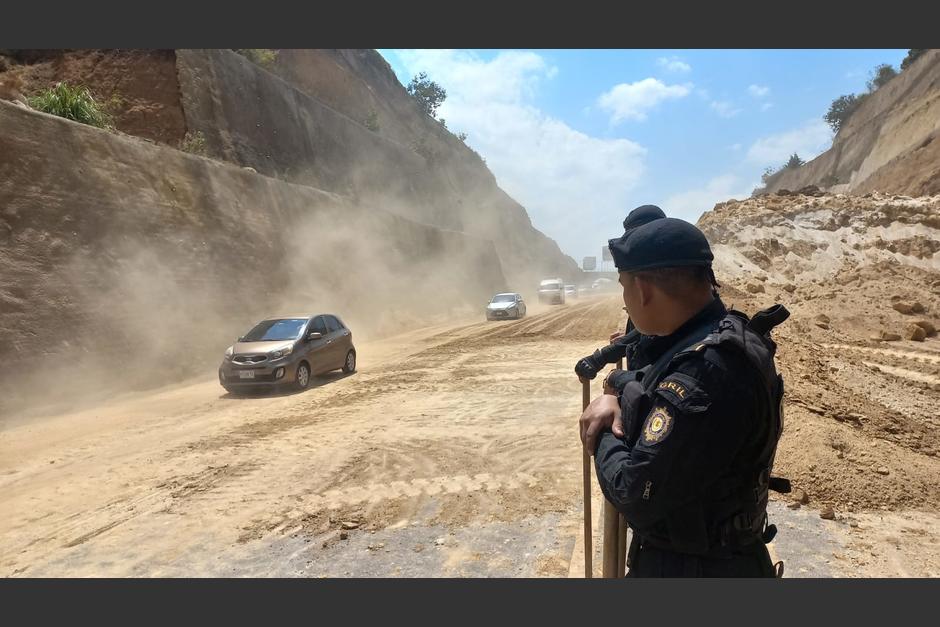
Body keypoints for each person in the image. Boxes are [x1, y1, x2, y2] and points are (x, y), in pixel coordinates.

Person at [578, 217, 790, 577]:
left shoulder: (708, 370)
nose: (626, 302)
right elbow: (657, 379)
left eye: (624, 288)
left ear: (642, 290)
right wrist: (618, 382)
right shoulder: (721, 335)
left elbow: (634, 491)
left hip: (694, 568)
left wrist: (602, 433)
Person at [573, 204, 666, 381]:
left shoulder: (665, 272)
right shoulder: (653, 266)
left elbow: (662, 323)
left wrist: (603, 360)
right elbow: (647, 330)